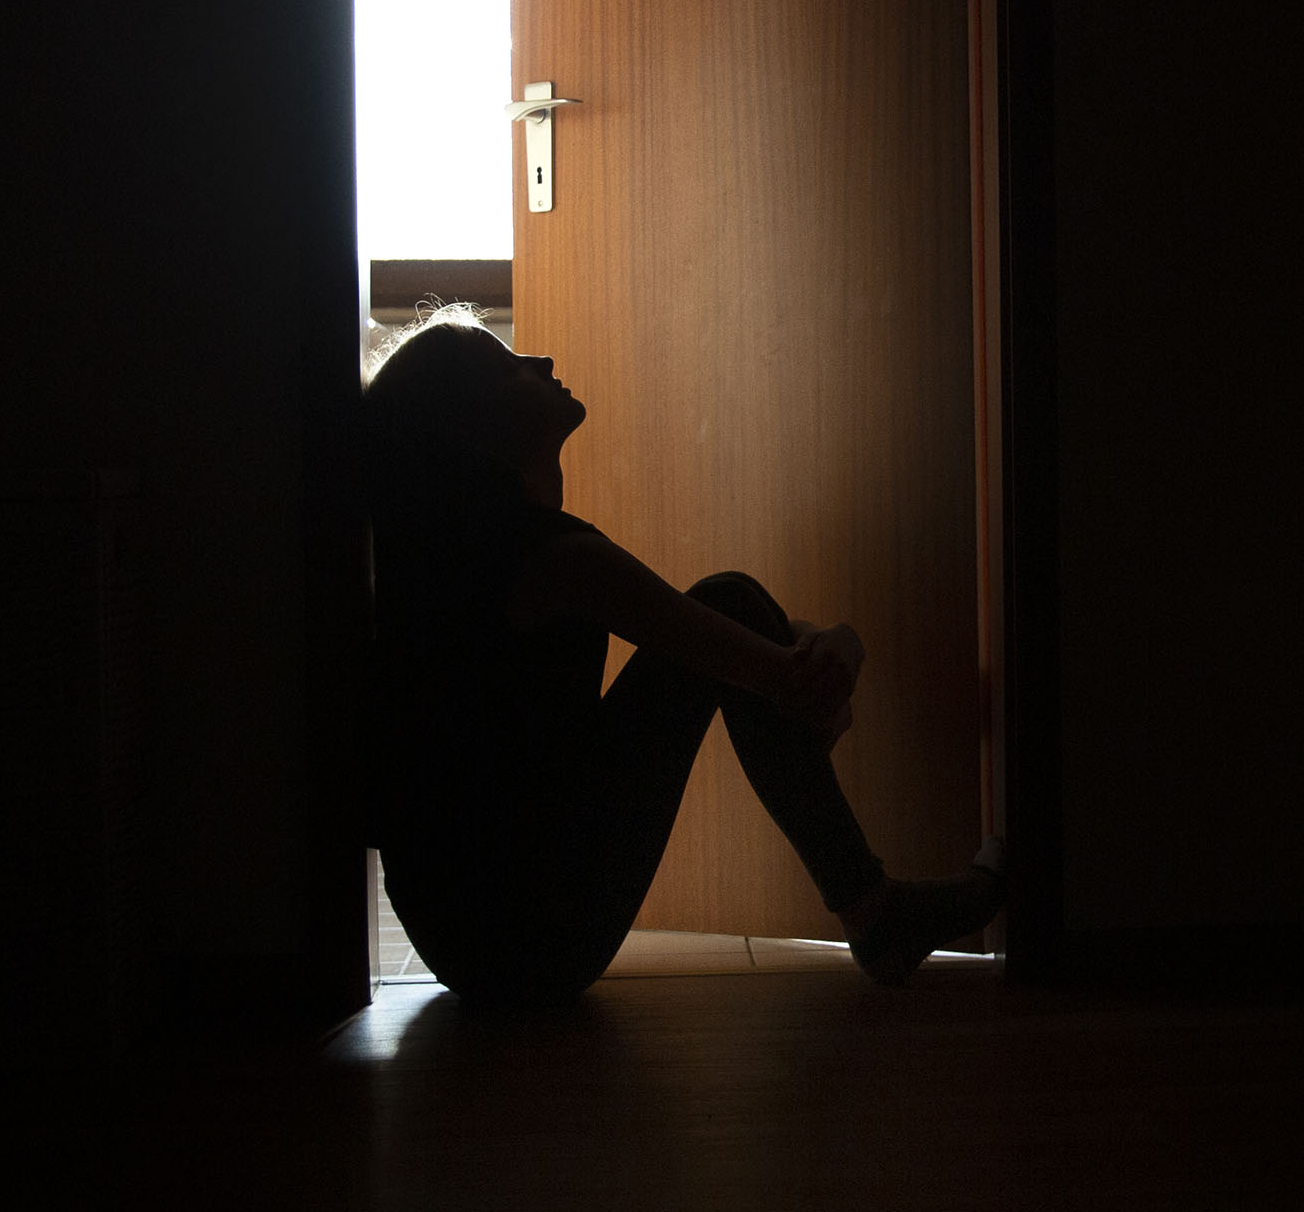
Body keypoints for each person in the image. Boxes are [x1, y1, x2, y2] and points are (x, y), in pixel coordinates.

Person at [361, 311, 1001, 1003]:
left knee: (726, 611)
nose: (541, 360)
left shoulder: (471, 562)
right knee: (726, 599)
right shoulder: (549, 560)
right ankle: (874, 910)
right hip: (532, 940)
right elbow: (764, 665)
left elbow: (734, 649)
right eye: (508, 365)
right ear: (471, 430)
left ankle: (874, 911)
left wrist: (812, 653)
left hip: (473, 940)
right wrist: (836, 652)